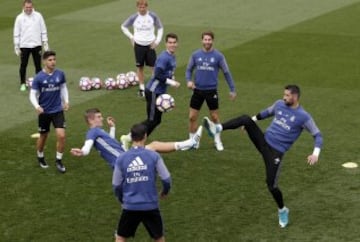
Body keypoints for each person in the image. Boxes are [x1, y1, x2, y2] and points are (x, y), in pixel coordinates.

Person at [203, 84, 323, 228]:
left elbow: (318, 135)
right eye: (284, 95)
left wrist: (315, 154)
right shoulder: (279, 104)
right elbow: (265, 113)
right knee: (246, 119)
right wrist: (251, 122)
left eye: (287, 96)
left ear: (295, 97)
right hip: (263, 140)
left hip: (275, 153)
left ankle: (282, 210)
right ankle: (217, 128)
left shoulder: (303, 116)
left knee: (271, 186)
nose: (284, 97)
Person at [70, 108, 202, 169]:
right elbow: (87, 147)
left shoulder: (98, 131)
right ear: (91, 119)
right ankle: (190, 142)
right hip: (122, 161)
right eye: (99, 117)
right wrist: (82, 152)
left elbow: (110, 144)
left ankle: (189, 143)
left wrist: (113, 128)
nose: (102, 118)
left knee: (151, 148)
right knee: (153, 146)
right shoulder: (92, 133)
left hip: (123, 156)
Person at [113, 123, 171, 242]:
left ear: (132, 137)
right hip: (150, 205)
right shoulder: (154, 156)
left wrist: (121, 199)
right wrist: (165, 192)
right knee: (159, 237)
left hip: (130, 206)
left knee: (120, 237)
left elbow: (116, 185)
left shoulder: (121, 158)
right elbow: (166, 179)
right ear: (145, 136)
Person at [120, 33, 180, 147]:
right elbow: (157, 75)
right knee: (151, 120)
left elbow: (168, 72)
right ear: (166, 44)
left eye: (174, 42)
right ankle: (129, 138)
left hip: (160, 92)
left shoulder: (172, 56)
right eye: (170, 42)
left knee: (156, 120)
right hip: (153, 91)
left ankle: (137, 141)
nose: (172, 45)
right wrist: (172, 82)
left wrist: (172, 78)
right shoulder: (164, 57)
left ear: (177, 44)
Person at [185, 31, 236, 151]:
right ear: (202, 40)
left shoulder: (218, 56)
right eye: (205, 39)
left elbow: (226, 73)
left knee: (214, 117)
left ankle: (217, 140)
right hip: (197, 90)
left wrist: (232, 89)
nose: (207, 42)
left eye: (209, 40)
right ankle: (193, 141)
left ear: (212, 41)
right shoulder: (195, 55)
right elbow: (188, 70)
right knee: (192, 117)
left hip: (211, 91)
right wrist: (188, 80)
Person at [29, 50, 69, 173]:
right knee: (43, 136)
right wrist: (37, 106)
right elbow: (32, 94)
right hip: (44, 112)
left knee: (61, 136)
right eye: (50, 60)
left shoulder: (60, 74)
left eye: (54, 59)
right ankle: (40, 156)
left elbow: (63, 88)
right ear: (44, 61)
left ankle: (59, 160)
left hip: (57, 110)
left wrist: (66, 101)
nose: (53, 62)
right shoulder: (39, 77)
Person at [121, 0, 164, 97]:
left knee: (153, 67)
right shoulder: (134, 17)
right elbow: (123, 26)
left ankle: (153, 87)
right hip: (138, 46)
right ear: (137, 7)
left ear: (146, 7)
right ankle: (141, 88)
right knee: (140, 67)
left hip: (150, 45)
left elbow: (160, 28)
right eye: (140, 7)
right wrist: (131, 37)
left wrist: (157, 41)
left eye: (143, 7)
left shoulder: (153, 16)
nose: (142, 9)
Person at [13, 0, 49, 91]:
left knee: (38, 66)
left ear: (32, 7)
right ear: (23, 7)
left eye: (30, 7)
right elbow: (16, 33)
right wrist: (16, 46)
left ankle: (39, 84)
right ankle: (22, 83)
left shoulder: (38, 16)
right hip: (24, 45)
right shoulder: (19, 18)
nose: (28, 9)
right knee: (23, 65)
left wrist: (45, 42)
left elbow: (43, 29)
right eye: (27, 7)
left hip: (36, 44)